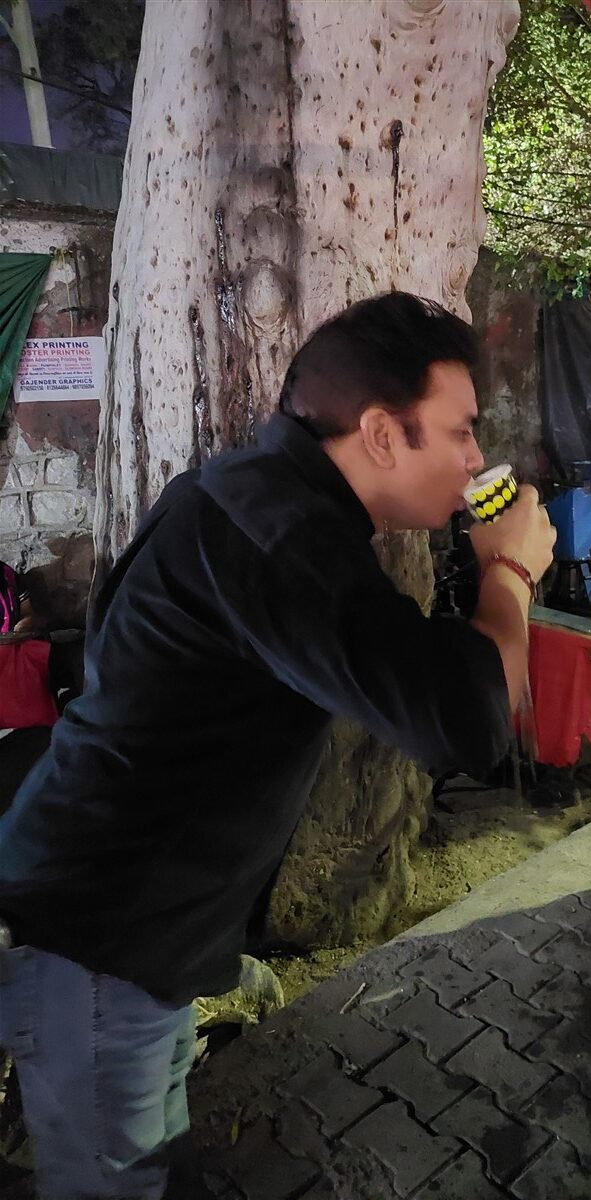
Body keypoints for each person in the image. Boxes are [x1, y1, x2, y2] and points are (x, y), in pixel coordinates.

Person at [0, 292, 556, 1200]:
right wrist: (511, 570)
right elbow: (470, 722)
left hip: (121, 917)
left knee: (145, 1141)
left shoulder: (261, 494)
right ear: (382, 432)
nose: (473, 458)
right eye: (459, 431)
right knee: (115, 1181)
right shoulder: (285, 535)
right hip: (102, 936)